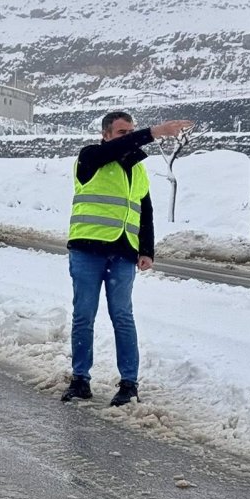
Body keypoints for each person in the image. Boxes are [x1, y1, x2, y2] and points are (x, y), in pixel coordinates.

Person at [62, 112, 193, 406]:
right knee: (84, 315)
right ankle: (80, 379)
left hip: (123, 252)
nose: (128, 136)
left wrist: (146, 250)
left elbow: (144, 210)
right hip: (87, 250)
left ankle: (129, 384)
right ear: (106, 135)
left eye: (131, 131)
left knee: (122, 316)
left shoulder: (137, 169)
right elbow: (112, 151)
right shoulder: (91, 157)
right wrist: (155, 131)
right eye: (123, 132)